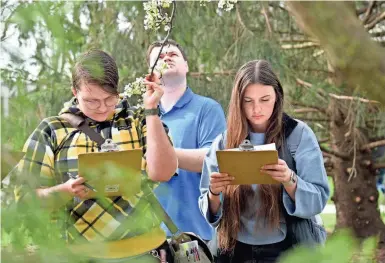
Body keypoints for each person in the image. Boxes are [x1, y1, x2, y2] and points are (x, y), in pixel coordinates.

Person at [13, 49, 177, 262]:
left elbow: (162, 172)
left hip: (148, 252)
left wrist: (152, 109)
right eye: (91, 101)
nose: (102, 108)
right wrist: (66, 190)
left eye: (109, 99)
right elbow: (25, 202)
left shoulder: (137, 121)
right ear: (74, 91)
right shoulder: (52, 130)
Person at [198, 60, 329, 262]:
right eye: (248, 101)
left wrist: (289, 179)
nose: (256, 109)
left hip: (288, 249)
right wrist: (215, 193)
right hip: (235, 250)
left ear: (277, 97)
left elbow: (318, 199)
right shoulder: (224, 141)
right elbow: (210, 210)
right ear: (238, 101)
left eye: (265, 99)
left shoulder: (298, 134)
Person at [146, 40, 226, 241]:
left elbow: (215, 160)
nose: (166, 58)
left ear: (186, 65)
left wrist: (161, 156)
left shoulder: (208, 109)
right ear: (150, 72)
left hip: (197, 235)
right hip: (148, 237)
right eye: (160, 57)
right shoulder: (140, 117)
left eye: (172, 54)